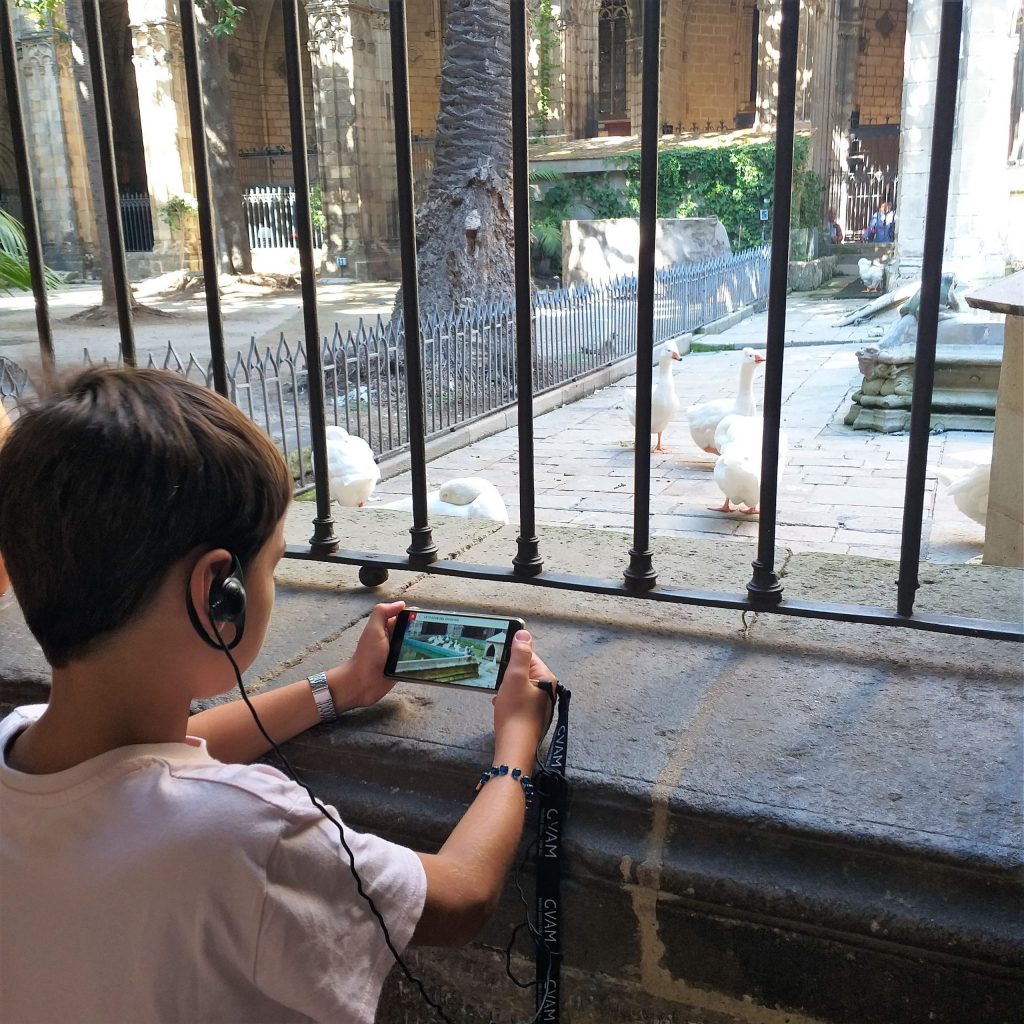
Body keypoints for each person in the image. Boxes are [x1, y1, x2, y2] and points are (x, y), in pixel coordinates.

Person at [0, 366, 557, 1023]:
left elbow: (155, 762)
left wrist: (337, 690)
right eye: (272, 565)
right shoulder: (251, 831)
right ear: (218, 593)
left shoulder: (19, 738)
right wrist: (517, 745)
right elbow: (462, 898)